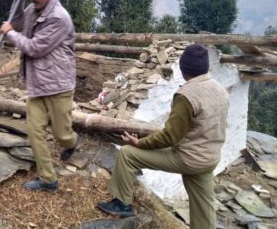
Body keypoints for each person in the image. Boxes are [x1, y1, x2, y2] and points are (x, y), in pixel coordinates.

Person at [97, 44, 229, 229]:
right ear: (205, 67)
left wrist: (139, 143)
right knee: (203, 204)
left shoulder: (187, 96)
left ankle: (121, 204)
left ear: (183, 69)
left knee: (127, 154)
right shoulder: (219, 90)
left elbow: (169, 137)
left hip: (188, 159)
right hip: (210, 158)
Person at [0, 0, 79, 192]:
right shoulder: (33, 8)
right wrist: (19, 0)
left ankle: (72, 142)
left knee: (62, 134)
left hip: (57, 84)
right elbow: (15, 23)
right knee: (35, 132)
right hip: (37, 83)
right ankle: (48, 180)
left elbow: (34, 48)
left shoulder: (58, 17)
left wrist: (10, 34)